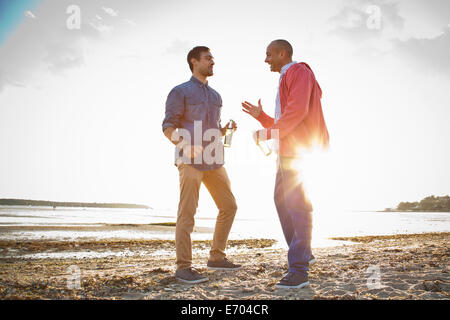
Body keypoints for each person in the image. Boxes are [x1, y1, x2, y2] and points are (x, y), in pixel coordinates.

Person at [242, 39, 329, 289]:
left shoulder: (298, 71)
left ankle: (299, 270)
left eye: (269, 54)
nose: (266, 59)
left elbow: (298, 111)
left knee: (297, 205)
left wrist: (267, 134)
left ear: (282, 53)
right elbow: (284, 120)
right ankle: (304, 253)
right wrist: (262, 118)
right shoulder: (284, 78)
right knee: (282, 200)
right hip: (288, 149)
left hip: (299, 150)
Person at [162, 46, 241, 284]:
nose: (212, 62)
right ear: (194, 61)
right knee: (187, 213)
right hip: (190, 160)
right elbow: (168, 127)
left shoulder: (216, 96)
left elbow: (213, 128)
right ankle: (183, 267)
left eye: (213, 59)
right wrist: (185, 145)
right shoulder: (179, 91)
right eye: (208, 59)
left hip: (215, 159)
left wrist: (226, 130)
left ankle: (217, 257)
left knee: (229, 206)